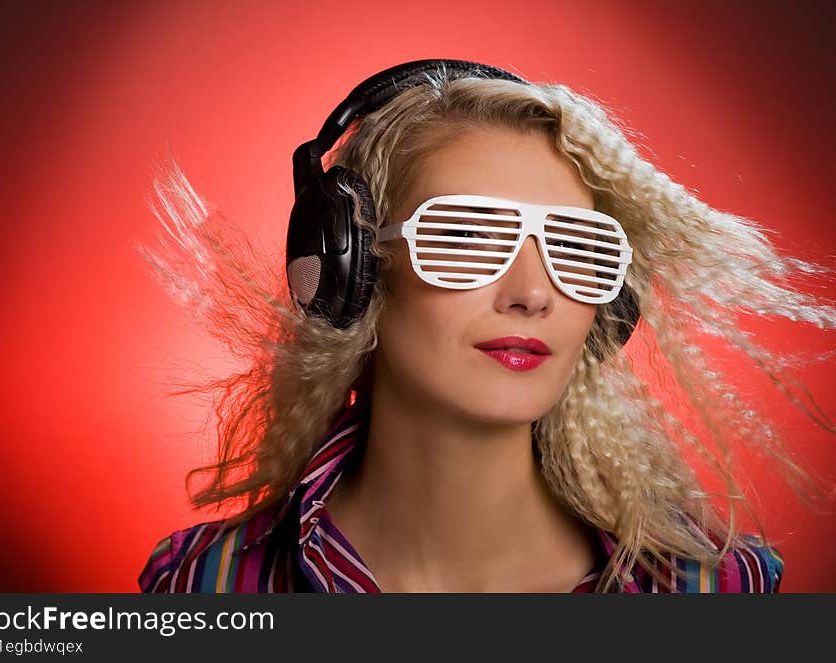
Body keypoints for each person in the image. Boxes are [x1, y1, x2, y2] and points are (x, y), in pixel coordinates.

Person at [137, 59, 835, 593]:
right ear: (346, 269)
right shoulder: (206, 583)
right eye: (466, 238)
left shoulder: (717, 589)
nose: (533, 293)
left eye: (576, 247)